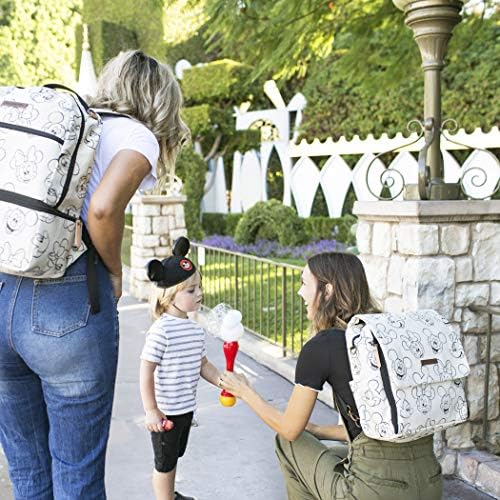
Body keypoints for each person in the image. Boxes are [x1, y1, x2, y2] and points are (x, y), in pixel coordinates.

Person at [0, 50, 189, 499]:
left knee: (28, 473)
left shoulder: (73, 121)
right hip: (66, 301)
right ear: (160, 99)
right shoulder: (137, 135)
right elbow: (102, 209)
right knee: (77, 476)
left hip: (5, 286)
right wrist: (115, 271)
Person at [220, 252, 443, 500]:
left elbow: (289, 430)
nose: (300, 292)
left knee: (288, 444)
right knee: (334, 453)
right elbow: (375, 426)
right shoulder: (389, 334)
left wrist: (245, 392)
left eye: (304, 283)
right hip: (430, 483)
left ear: (327, 291)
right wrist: (317, 430)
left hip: (374, 492)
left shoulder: (324, 346)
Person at [140, 238, 220, 500]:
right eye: (191, 290)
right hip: (166, 413)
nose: (199, 294)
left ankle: (170, 495)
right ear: (170, 296)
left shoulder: (195, 330)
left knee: (173, 457)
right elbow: (146, 371)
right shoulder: (161, 331)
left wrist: (223, 381)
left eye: (199, 287)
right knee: (164, 464)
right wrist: (151, 410)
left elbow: (203, 365)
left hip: (185, 409)